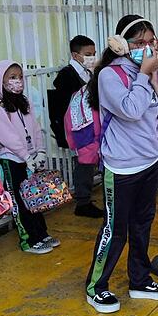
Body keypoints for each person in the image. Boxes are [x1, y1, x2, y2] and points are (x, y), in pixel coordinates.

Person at [84, 15, 158, 313]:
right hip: (121, 167)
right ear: (121, 45)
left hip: (149, 163)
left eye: (151, 41)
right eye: (139, 42)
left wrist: (154, 81)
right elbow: (131, 110)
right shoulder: (110, 76)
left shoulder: (149, 72)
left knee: (142, 226)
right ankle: (96, 287)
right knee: (115, 230)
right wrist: (144, 76)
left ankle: (140, 280)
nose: (146, 48)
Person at [0, 60, 57, 254]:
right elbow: (6, 135)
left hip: (30, 158)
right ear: (0, 80)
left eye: (20, 77)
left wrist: (40, 150)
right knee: (20, 201)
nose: (18, 81)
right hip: (12, 159)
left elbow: (35, 126)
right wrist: (25, 156)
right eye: (12, 77)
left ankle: (41, 233)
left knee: (35, 198)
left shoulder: (23, 101)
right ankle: (29, 240)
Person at [48, 35, 106, 218]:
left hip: (90, 125)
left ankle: (85, 198)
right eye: (88, 54)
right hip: (79, 127)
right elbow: (66, 105)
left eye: (94, 53)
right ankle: (83, 201)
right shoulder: (66, 75)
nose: (92, 57)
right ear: (75, 55)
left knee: (89, 161)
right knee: (83, 163)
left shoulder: (89, 72)